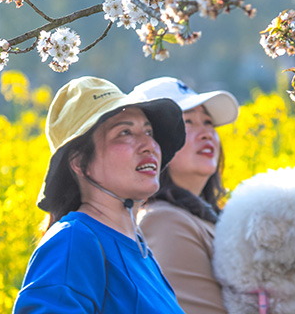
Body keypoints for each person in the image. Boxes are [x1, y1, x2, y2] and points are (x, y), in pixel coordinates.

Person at [13, 76, 187, 314]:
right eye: (125, 132)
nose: (149, 145)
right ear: (79, 162)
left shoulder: (140, 250)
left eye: (148, 131)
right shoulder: (74, 240)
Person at [131, 77, 239, 314]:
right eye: (187, 122)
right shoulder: (164, 221)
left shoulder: (203, 218)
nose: (206, 133)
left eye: (208, 122)